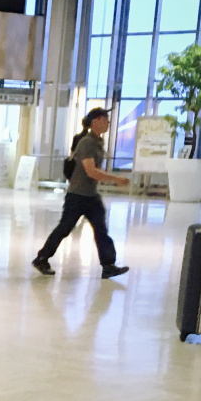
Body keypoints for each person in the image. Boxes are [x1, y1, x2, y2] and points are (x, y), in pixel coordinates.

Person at [32, 107, 129, 277]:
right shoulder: (87, 143)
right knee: (64, 228)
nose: (108, 122)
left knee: (101, 230)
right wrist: (116, 179)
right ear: (96, 121)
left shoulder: (98, 142)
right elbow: (90, 171)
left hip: (91, 195)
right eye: (105, 119)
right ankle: (41, 258)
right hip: (77, 196)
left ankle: (108, 265)